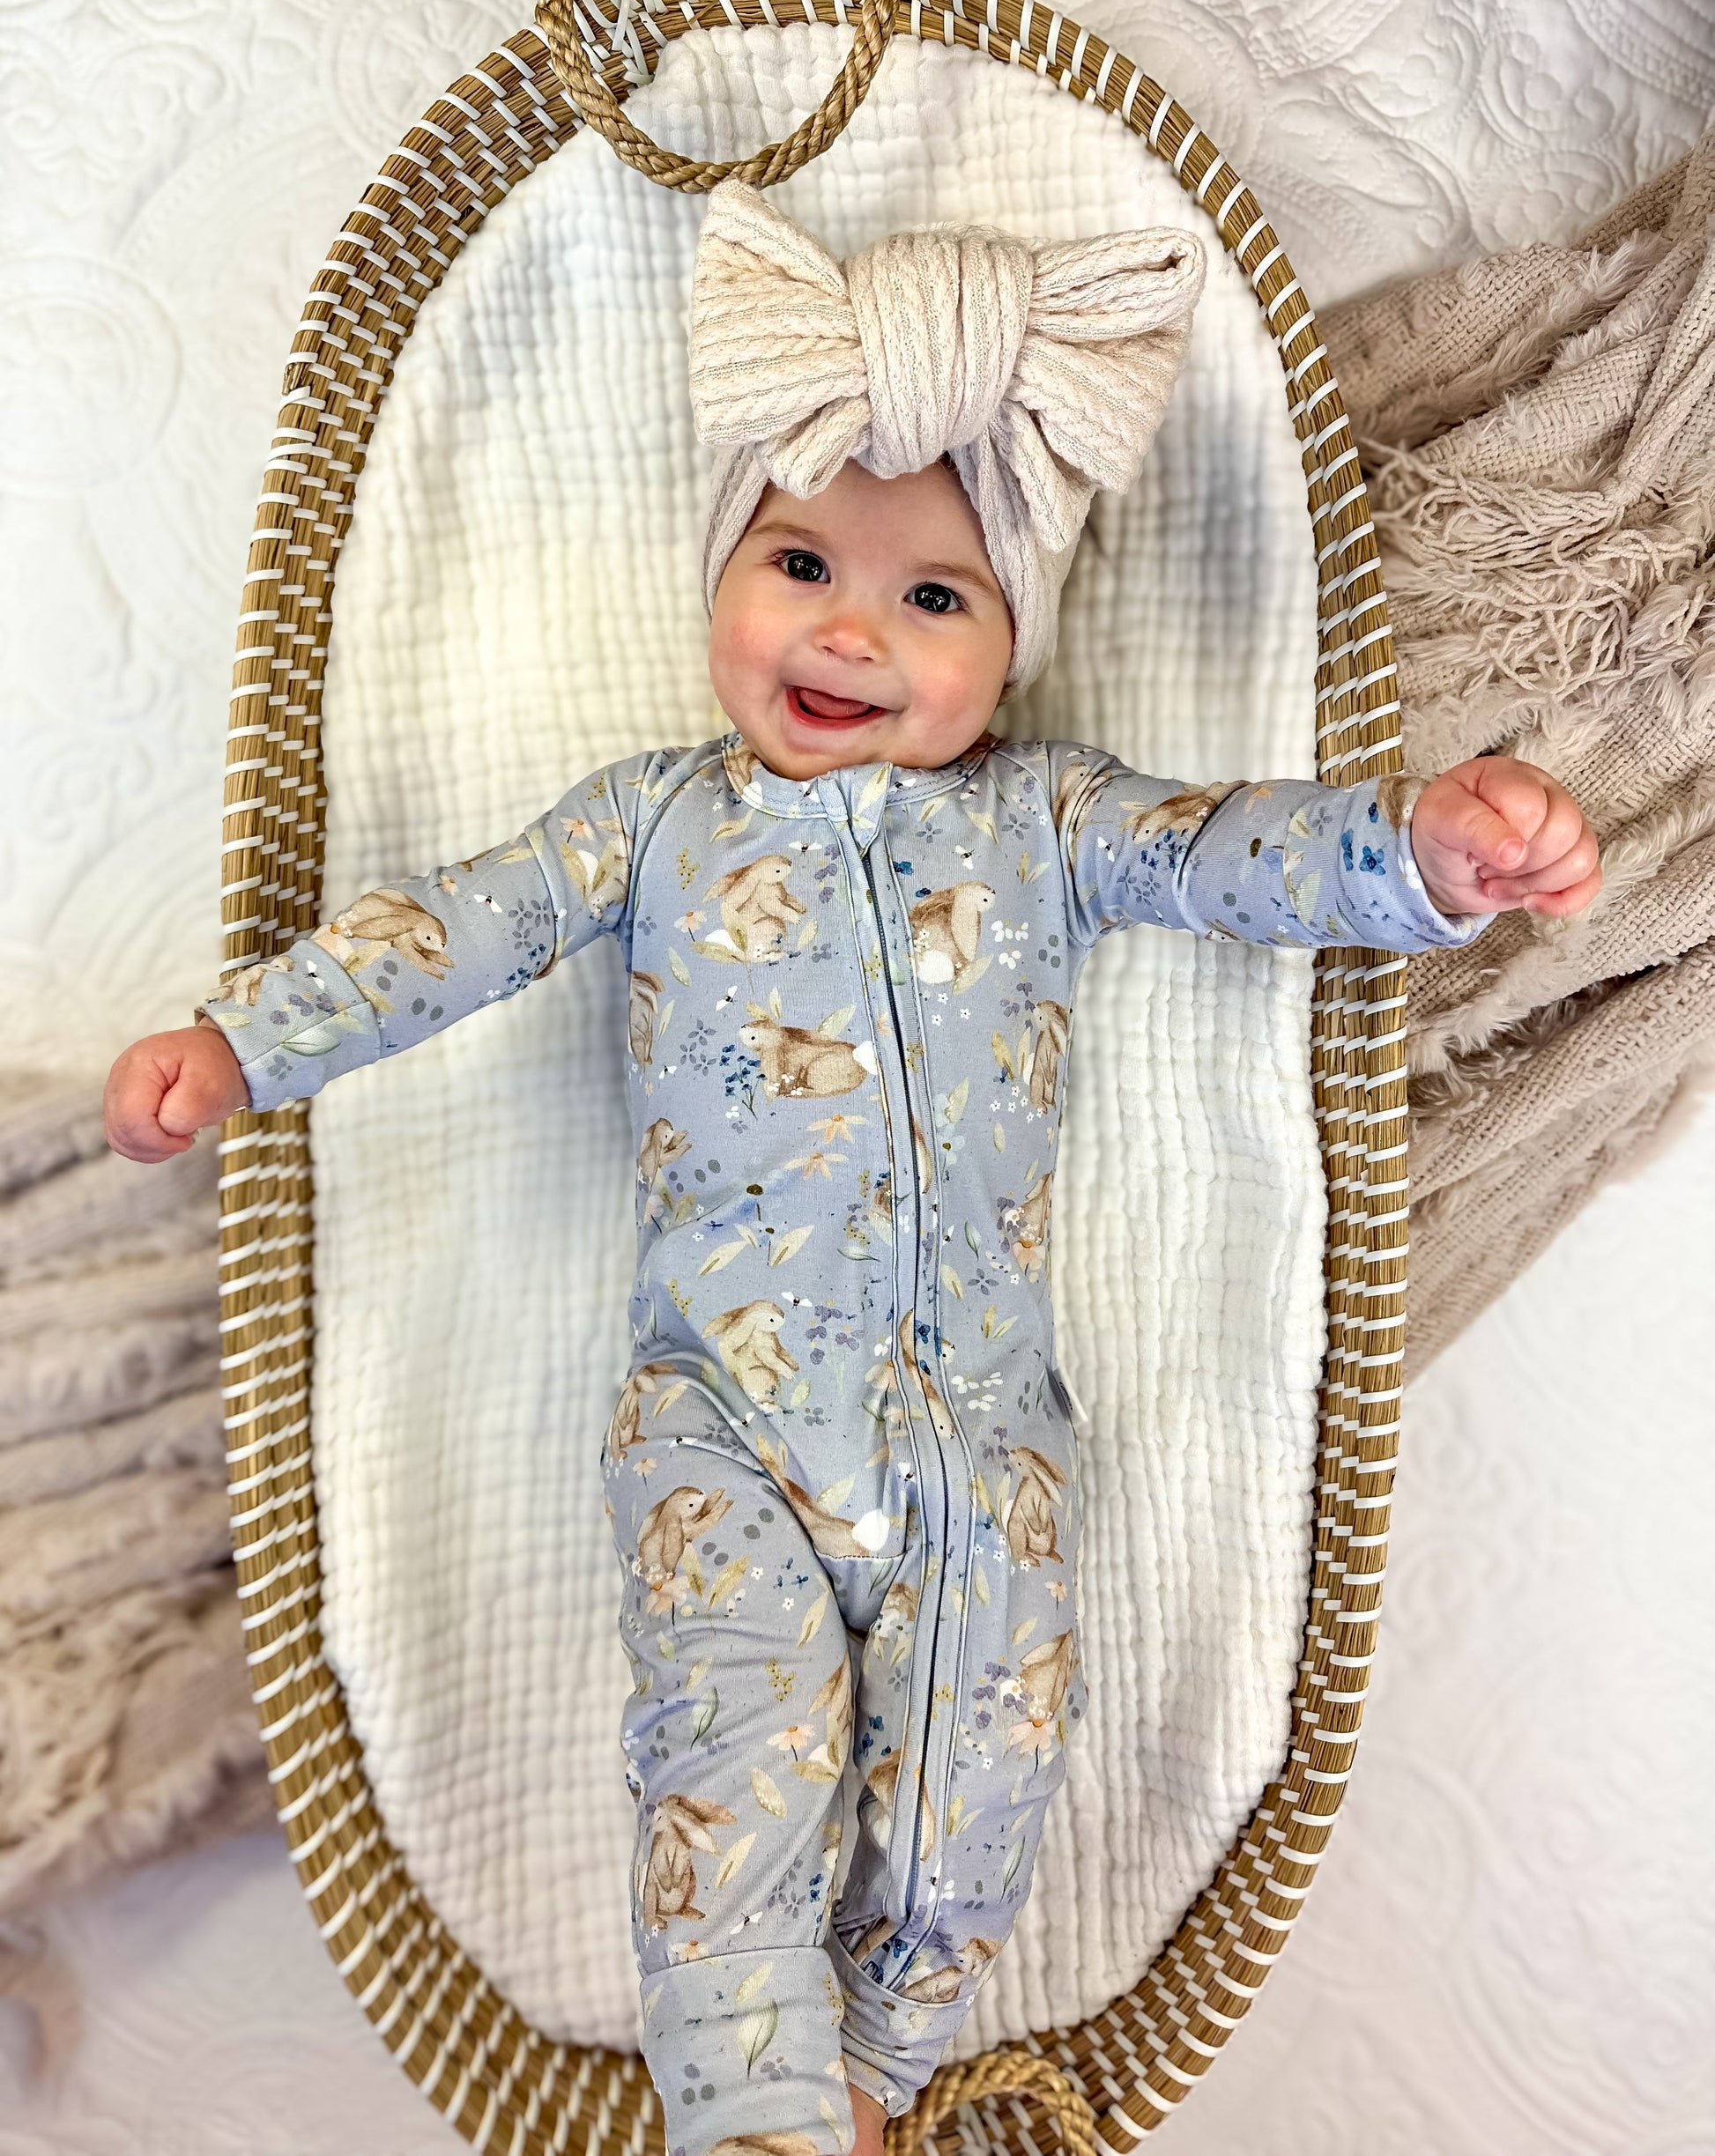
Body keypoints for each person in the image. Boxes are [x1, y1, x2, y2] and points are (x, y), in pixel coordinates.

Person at [104, 183, 1600, 2156]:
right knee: (733, 1763)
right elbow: (454, 925)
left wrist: (1422, 853)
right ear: (722, 569)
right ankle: (750, 2113)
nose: (848, 628)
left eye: (933, 598)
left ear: (1012, 643)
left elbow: (1233, 850)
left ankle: (882, 2064)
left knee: (992, 1750)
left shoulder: (1048, 822)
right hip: (718, 1421)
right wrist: (246, 1040)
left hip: (980, 1436)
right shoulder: (654, 823)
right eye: (799, 559)